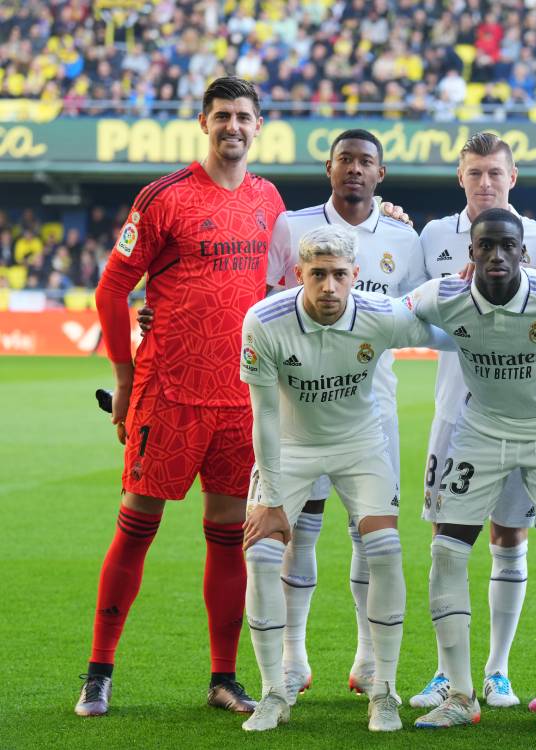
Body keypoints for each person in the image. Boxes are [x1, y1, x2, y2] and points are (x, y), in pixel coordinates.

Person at [77, 76, 286, 718]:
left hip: (239, 397)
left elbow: (284, 286)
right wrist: (124, 378)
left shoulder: (269, 199)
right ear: (203, 122)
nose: (233, 126)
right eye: (222, 115)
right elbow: (113, 291)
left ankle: (224, 679)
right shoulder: (163, 198)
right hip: (167, 393)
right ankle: (98, 673)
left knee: (228, 540)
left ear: (258, 126)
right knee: (136, 531)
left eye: (243, 116)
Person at [404, 209, 536, 732]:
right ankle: (460, 694)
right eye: (486, 247)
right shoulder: (445, 297)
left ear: (524, 252)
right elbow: (395, 315)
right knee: (446, 551)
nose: (497, 256)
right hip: (480, 431)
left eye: (508, 246)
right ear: (471, 254)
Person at [238, 225, 451, 732]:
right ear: (298, 275)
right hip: (291, 446)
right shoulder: (265, 321)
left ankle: (385, 691)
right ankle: (272, 692)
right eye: (318, 275)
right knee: (262, 551)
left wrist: (480, 295)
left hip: (360, 445)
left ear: (356, 276)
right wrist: (268, 497)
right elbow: (264, 416)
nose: (329, 287)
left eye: (339, 275)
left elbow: (445, 332)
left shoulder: (379, 315)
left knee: (384, 549)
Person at [261, 128, 425, 699]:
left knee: (368, 537)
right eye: (345, 160)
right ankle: (293, 657)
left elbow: (416, 314)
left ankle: (366, 659)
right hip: (298, 411)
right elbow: (267, 305)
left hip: (371, 410)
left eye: (366, 162)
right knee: (296, 533)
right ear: (328, 168)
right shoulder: (291, 226)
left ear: (381, 174)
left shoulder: (404, 238)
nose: (355, 169)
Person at [409, 132, 536, 710]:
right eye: (475, 173)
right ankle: (447, 672)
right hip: (454, 413)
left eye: (495, 172)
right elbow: (407, 305)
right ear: (460, 178)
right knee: (447, 538)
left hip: (523, 412)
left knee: (509, 536)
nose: (486, 182)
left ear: (512, 177)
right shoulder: (434, 236)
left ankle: (497, 670)